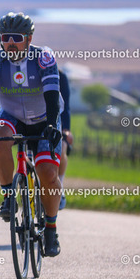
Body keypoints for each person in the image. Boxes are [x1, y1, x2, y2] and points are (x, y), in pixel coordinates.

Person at [0, 12, 63, 257]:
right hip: (12, 115)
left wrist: (52, 125)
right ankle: (8, 195)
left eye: (16, 38)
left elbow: (52, 95)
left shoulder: (43, 58)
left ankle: (51, 228)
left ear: (28, 39)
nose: (10, 43)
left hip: (44, 117)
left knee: (48, 173)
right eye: (5, 38)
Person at [58, 69, 74, 209]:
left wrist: (66, 129)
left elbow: (65, 106)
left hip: (56, 122)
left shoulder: (60, 76)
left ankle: (60, 185)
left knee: (62, 147)